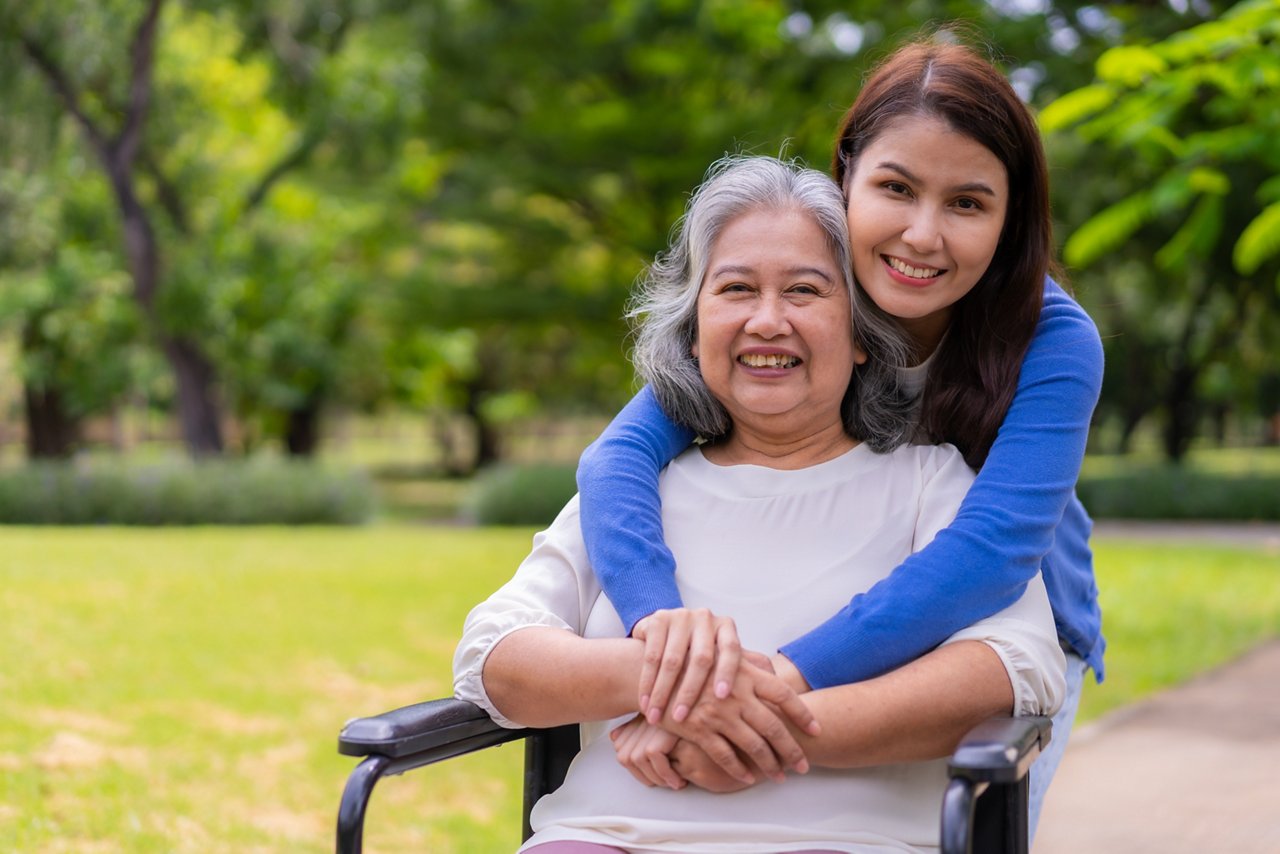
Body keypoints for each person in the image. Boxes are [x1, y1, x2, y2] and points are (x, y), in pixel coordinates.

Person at [454, 155, 1066, 853]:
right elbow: (492, 654)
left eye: (805, 291)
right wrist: (665, 677)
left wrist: (746, 732)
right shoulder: (632, 496)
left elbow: (1014, 664)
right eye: (736, 289)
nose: (767, 321)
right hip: (607, 836)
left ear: (863, 335)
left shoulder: (930, 483)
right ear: (692, 328)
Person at [573, 35, 1104, 837]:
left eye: (967, 203)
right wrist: (665, 637)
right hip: (824, 606)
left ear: (1009, 217)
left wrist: (762, 685)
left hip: (1001, 623)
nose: (923, 236)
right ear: (846, 175)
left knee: (965, 826)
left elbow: (990, 555)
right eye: (896, 188)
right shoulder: (792, 298)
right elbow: (615, 459)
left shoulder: (1054, 342)